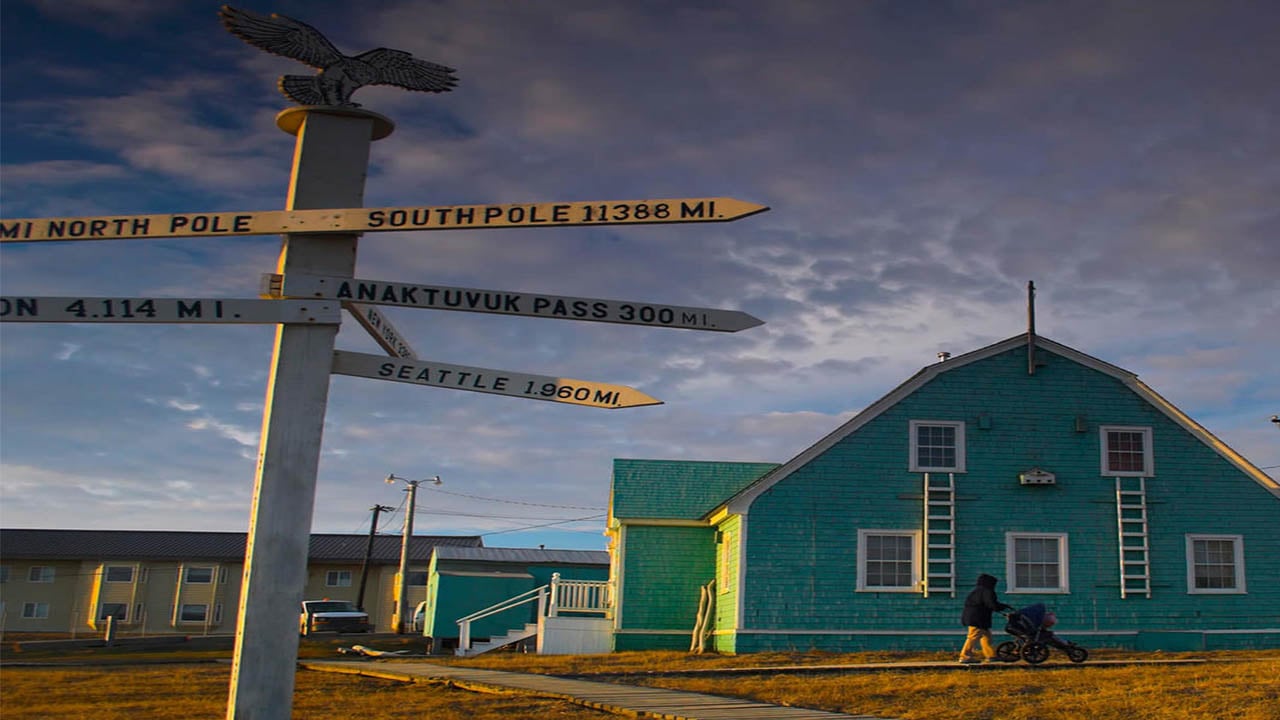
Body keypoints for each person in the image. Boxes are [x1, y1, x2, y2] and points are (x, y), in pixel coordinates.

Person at [959, 573, 1012, 664]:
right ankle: (965, 656)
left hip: (975, 617)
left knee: (986, 636)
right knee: (973, 636)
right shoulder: (987, 591)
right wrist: (1002, 607)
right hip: (977, 618)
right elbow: (991, 604)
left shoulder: (977, 591)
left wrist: (1001, 606)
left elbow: (988, 603)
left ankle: (991, 655)